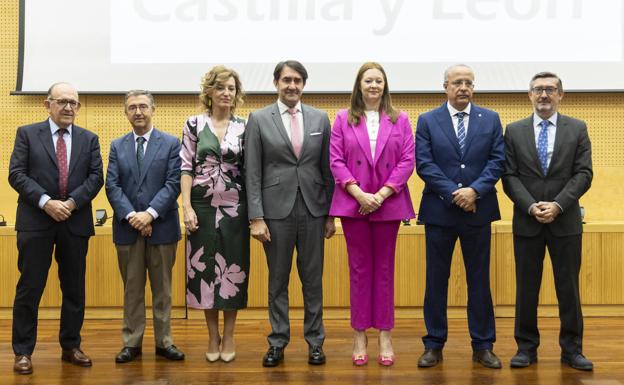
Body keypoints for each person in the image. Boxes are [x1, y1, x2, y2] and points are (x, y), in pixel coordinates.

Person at [8, 82, 104, 374]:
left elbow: (96, 177)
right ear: (47, 105)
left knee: (74, 288)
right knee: (30, 287)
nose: (68, 107)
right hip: (36, 222)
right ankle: (23, 351)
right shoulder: (27, 134)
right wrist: (46, 202)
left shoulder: (89, 139)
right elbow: (17, 174)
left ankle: (71, 346)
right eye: (62, 101)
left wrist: (72, 203)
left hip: (74, 222)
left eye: (73, 103)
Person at [245, 60, 335, 367]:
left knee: (313, 280)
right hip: (274, 212)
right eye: (286, 80)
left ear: (304, 84)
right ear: (276, 83)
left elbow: (327, 170)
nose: (292, 85)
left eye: (297, 80)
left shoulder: (320, 119)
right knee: (277, 281)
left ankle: (315, 342)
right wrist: (256, 217)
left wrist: (330, 214)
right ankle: (278, 341)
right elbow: (252, 171)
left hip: (312, 209)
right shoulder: (258, 119)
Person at [415, 64, 505, 369]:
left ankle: (483, 345)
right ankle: (434, 343)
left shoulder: (490, 119)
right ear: (446, 87)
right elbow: (424, 164)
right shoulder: (428, 120)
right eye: (457, 82)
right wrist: (456, 193)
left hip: (478, 211)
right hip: (440, 210)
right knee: (436, 280)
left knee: (479, 281)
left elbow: (497, 161)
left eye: (468, 82)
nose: (463, 87)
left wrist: (474, 192)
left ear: (474, 87)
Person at [502, 72, 593, 371]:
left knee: (568, 288)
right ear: (529, 94)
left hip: (565, 221)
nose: (544, 95)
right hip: (527, 222)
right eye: (538, 90)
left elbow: (583, 174)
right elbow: (509, 176)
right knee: (526, 288)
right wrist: (530, 207)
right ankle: (526, 348)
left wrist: (557, 205)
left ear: (560, 95)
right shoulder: (513, 131)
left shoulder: (577, 129)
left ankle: (572, 349)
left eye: (550, 90)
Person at [329, 62, 415, 366]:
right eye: (369, 80)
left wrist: (380, 195)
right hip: (354, 204)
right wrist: (359, 194)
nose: (374, 85)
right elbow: (336, 160)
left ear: (385, 86)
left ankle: (385, 336)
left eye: (379, 80)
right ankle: (360, 335)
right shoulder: (342, 118)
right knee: (359, 271)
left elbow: (407, 161)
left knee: (385, 271)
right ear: (359, 85)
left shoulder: (399, 118)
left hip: (388, 203)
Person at [105, 90, 184, 363]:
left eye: (142, 107)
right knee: (132, 289)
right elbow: (112, 186)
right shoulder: (117, 146)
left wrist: (149, 215)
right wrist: (133, 217)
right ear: (126, 113)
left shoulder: (172, 143)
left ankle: (164, 342)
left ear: (153, 109)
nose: (137, 112)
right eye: (132, 108)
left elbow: (174, 183)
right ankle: (131, 343)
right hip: (127, 229)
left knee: (163, 289)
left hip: (162, 227)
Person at [181, 66, 249, 363]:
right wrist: (186, 206)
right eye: (220, 87)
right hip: (202, 205)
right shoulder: (194, 124)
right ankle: (212, 336)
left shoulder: (245, 126)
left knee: (232, 268)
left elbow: (250, 171)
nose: (226, 93)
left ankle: (230, 334)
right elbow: (185, 167)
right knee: (205, 270)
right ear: (209, 91)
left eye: (231, 88)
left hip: (235, 207)